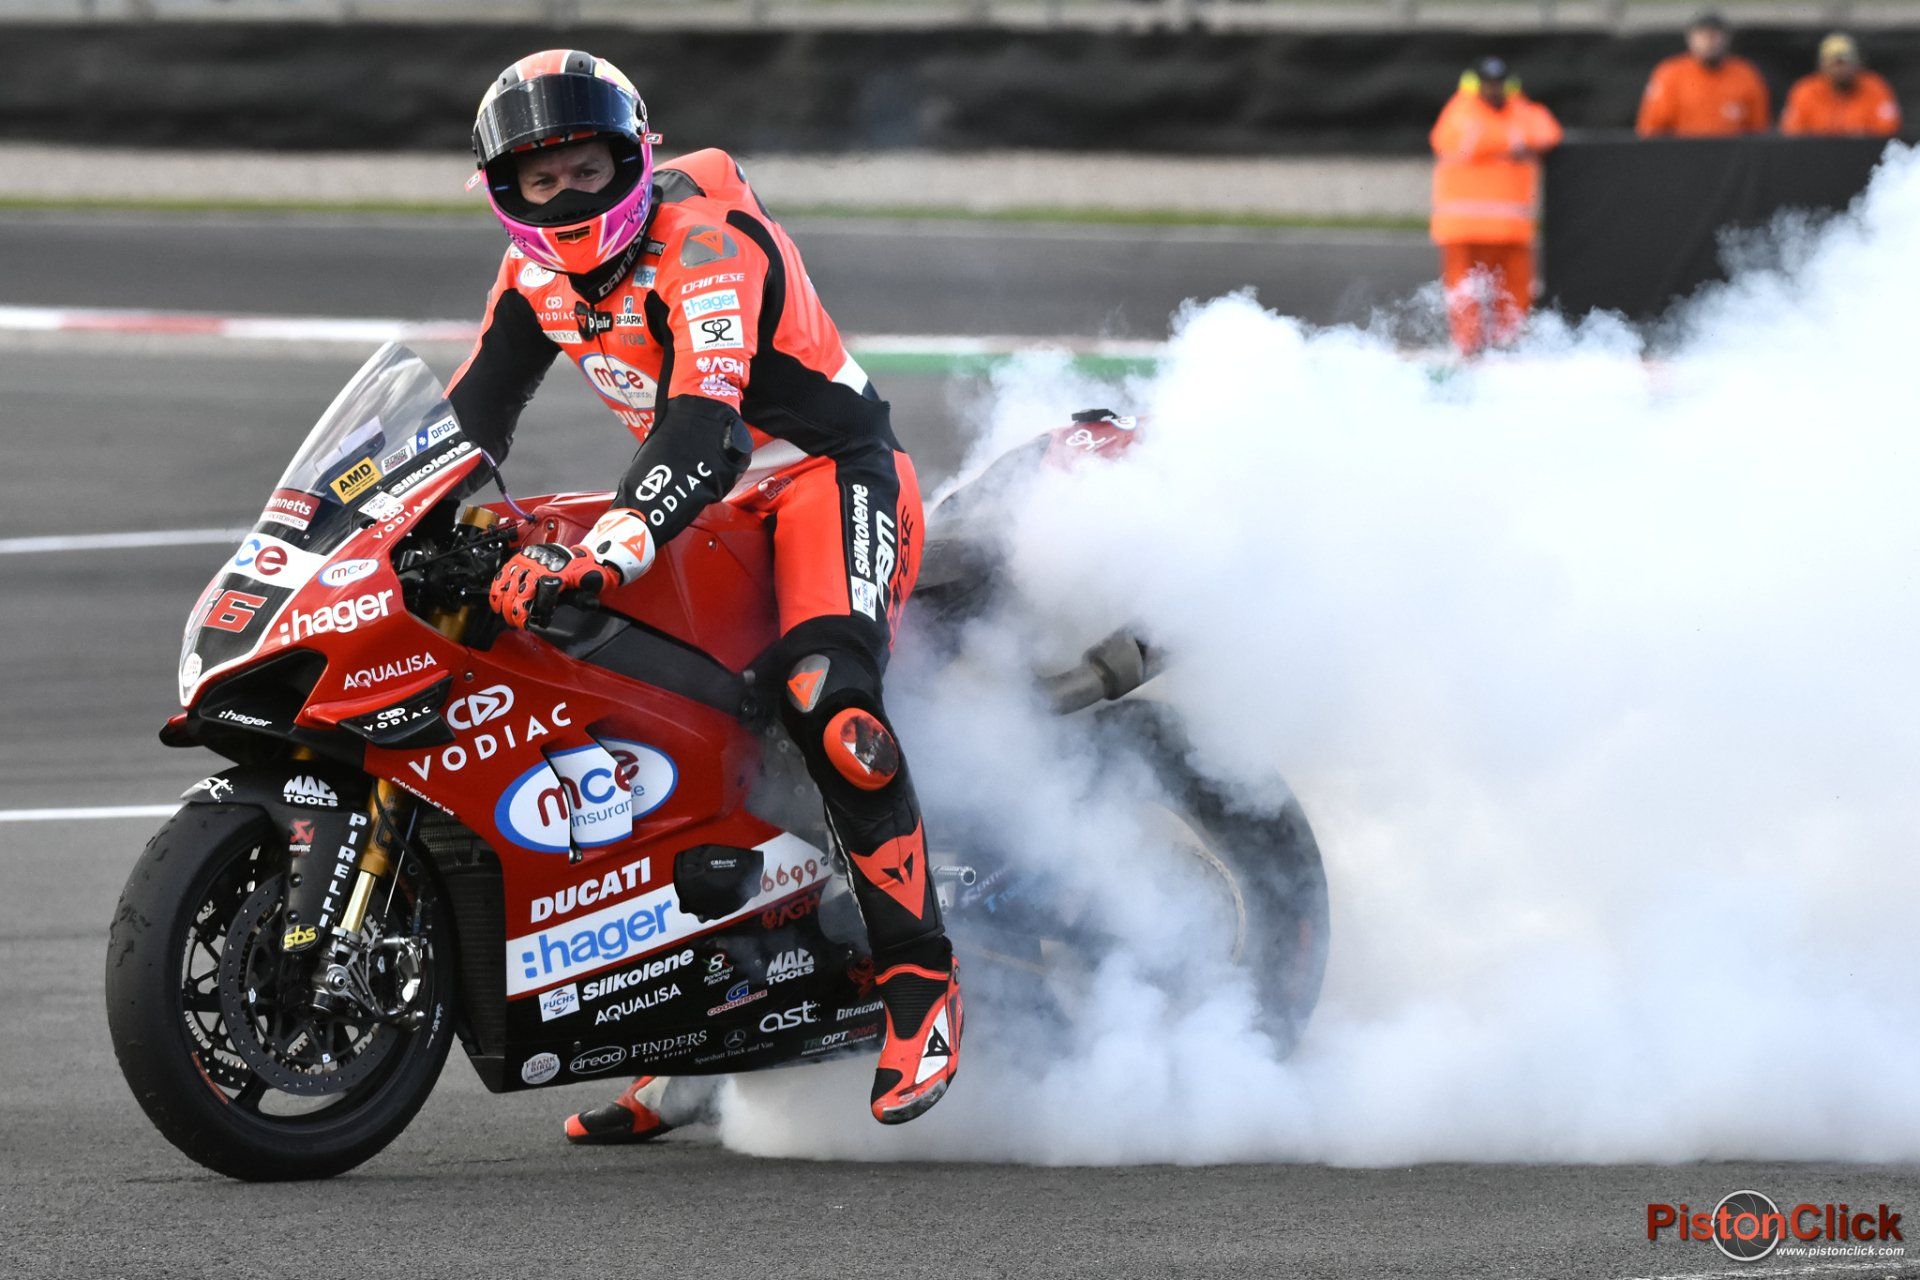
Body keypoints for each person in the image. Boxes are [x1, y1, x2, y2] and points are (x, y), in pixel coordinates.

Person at [452, 49, 962, 1138]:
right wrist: (374, 523)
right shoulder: (530, 277)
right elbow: (471, 420)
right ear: (506, 194)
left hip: (823, 474)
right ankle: (695, 1030)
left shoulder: (704, 242)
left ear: (633, 158)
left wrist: (614, 542)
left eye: (587, 169)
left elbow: (706, 422)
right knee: (625, 700)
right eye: (540, 180)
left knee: (825, 694)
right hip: (711, 500)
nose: (568, 196)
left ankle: (920, 983)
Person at [1428, 56, 1562, 356]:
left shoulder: (1521, 109)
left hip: (1510, 228)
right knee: (1465, 293)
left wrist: (1508, 139)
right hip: (1465, 227)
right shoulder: (1459, 110)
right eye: (1487, 83)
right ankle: (1467, 348)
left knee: (1513, 293)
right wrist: (1515, 141)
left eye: (1499, 83)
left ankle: (1508, 346)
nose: (1493, 89)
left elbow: (1548, 132)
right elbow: (1462, 142)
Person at [1636, 11, 1770, 137]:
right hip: (1681, 150)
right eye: (1702, 35)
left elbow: (1758, 130)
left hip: (1732, 151)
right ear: (1690, 39)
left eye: (1715, 35)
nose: (1709, 42)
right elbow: (1650, 129)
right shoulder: (1670, 74)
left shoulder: (1746, 75)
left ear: (1727, 39)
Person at [1780, 33, 1902, 137]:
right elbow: (1791, 133)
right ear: (1821, 65)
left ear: (1858, 63)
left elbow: (1888, 131)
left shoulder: (1875, 87)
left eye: (1844, 63)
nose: (1839, 69)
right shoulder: (1805, 90)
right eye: (1833, 64)